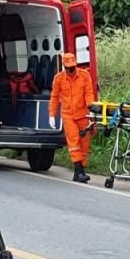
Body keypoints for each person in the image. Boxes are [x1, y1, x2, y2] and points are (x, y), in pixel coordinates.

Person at [49, 52, 94, 183]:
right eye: (69, 68)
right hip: (68, 115)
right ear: (64, 66)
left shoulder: (84, 75)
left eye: (73, 67)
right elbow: (54, 97)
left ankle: (80, 170)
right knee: (74, 141)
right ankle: (78, 170)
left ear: (76, 65)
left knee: (84, 143)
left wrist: (92, 109)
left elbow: (89, 94)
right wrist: (52, 114)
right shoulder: (59, 78)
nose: (71, 70)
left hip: (83, 115)